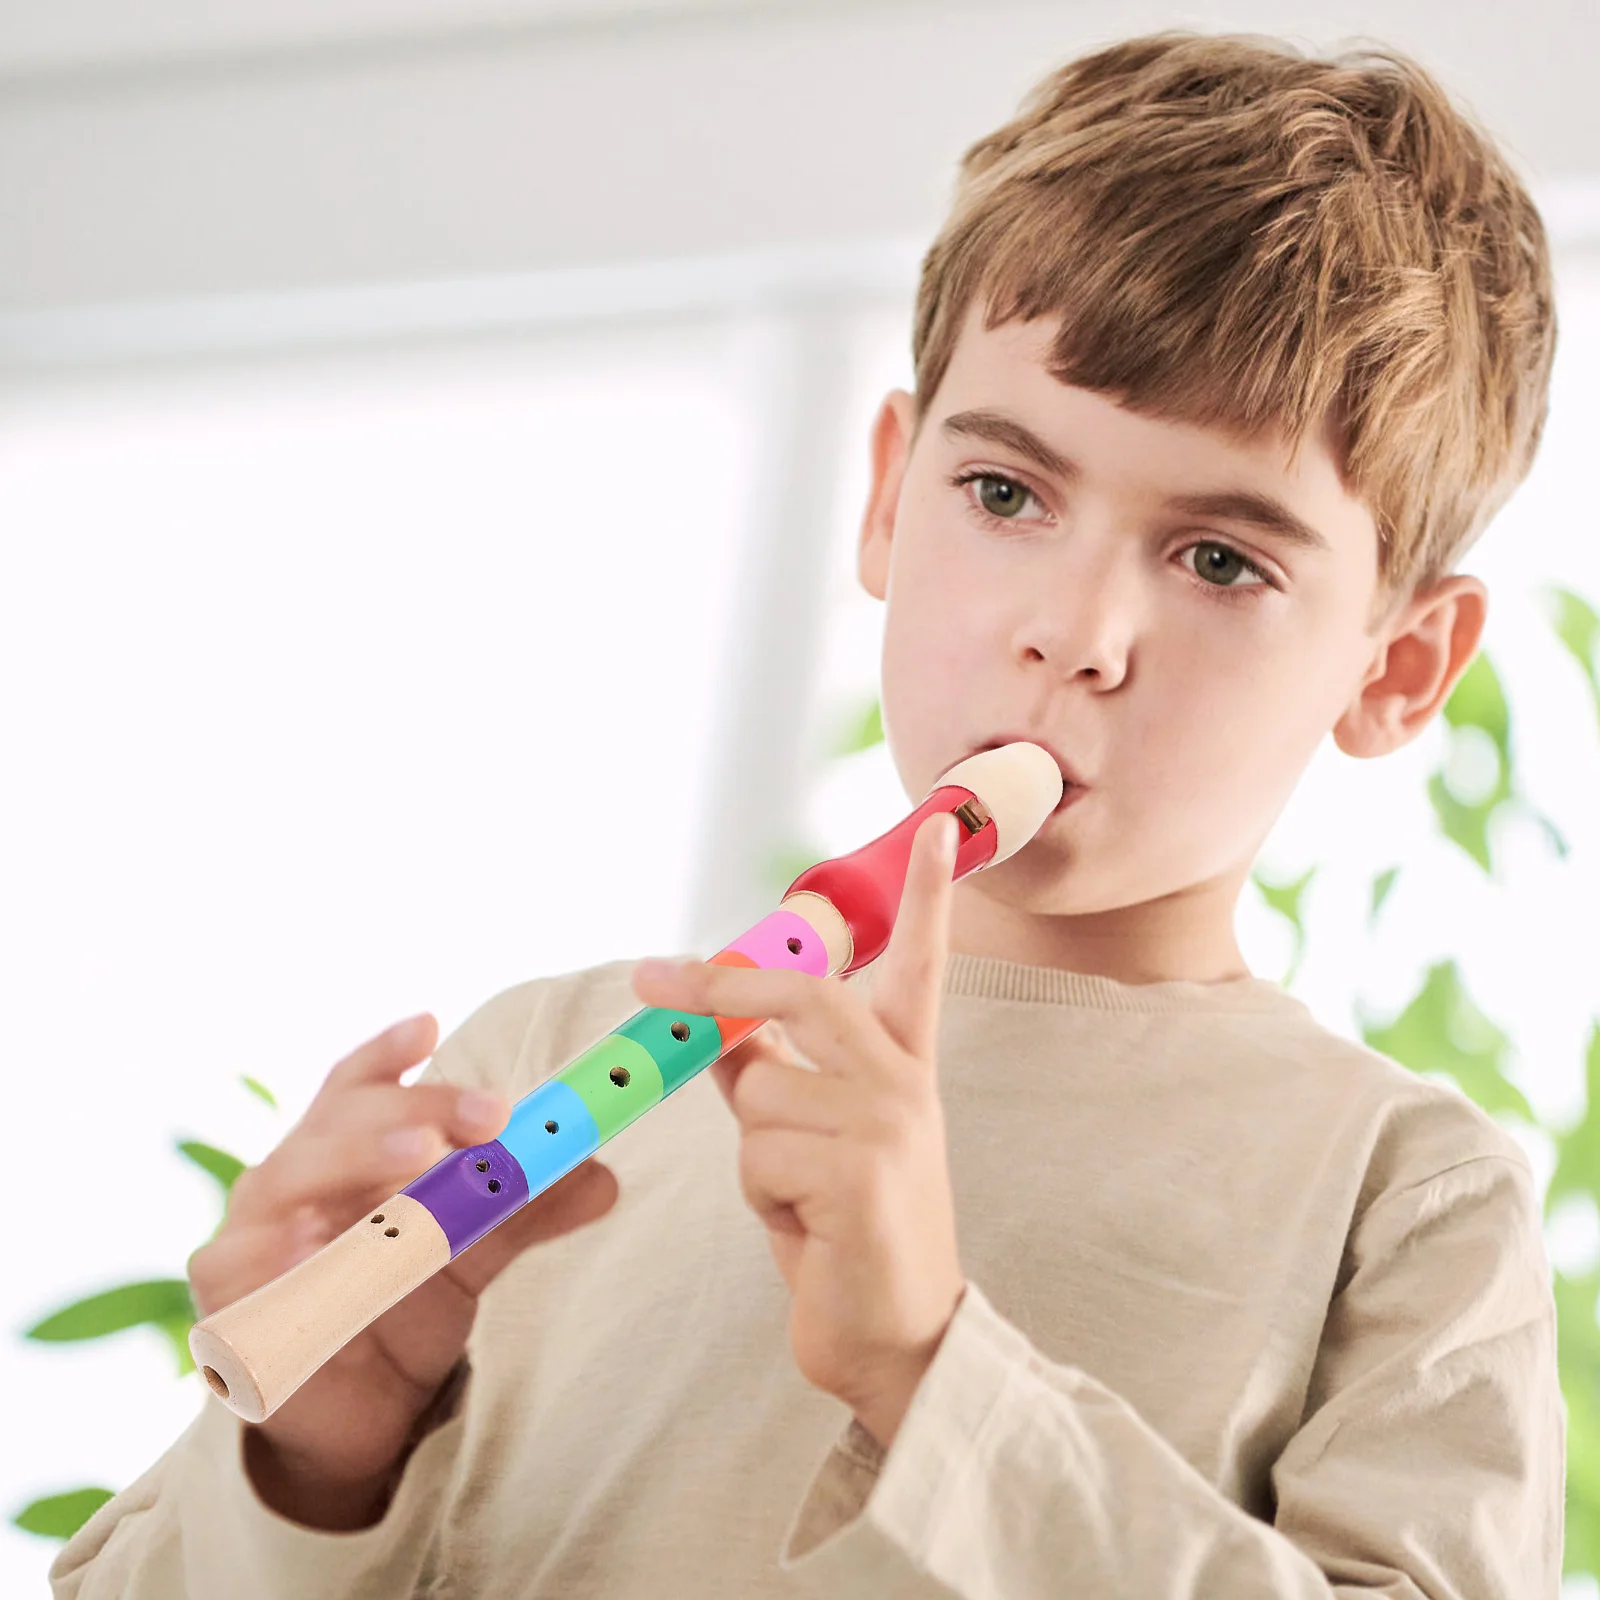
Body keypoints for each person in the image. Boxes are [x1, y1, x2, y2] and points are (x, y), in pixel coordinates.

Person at [52, 29, 1563, 1598]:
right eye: (1005, 494)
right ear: (890, 496)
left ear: (1397, 668)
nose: (1075, 634)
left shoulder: (1403, 1195)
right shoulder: (536, 1065)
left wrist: (933, 1374)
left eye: (1223, 561)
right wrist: (313, 1470)